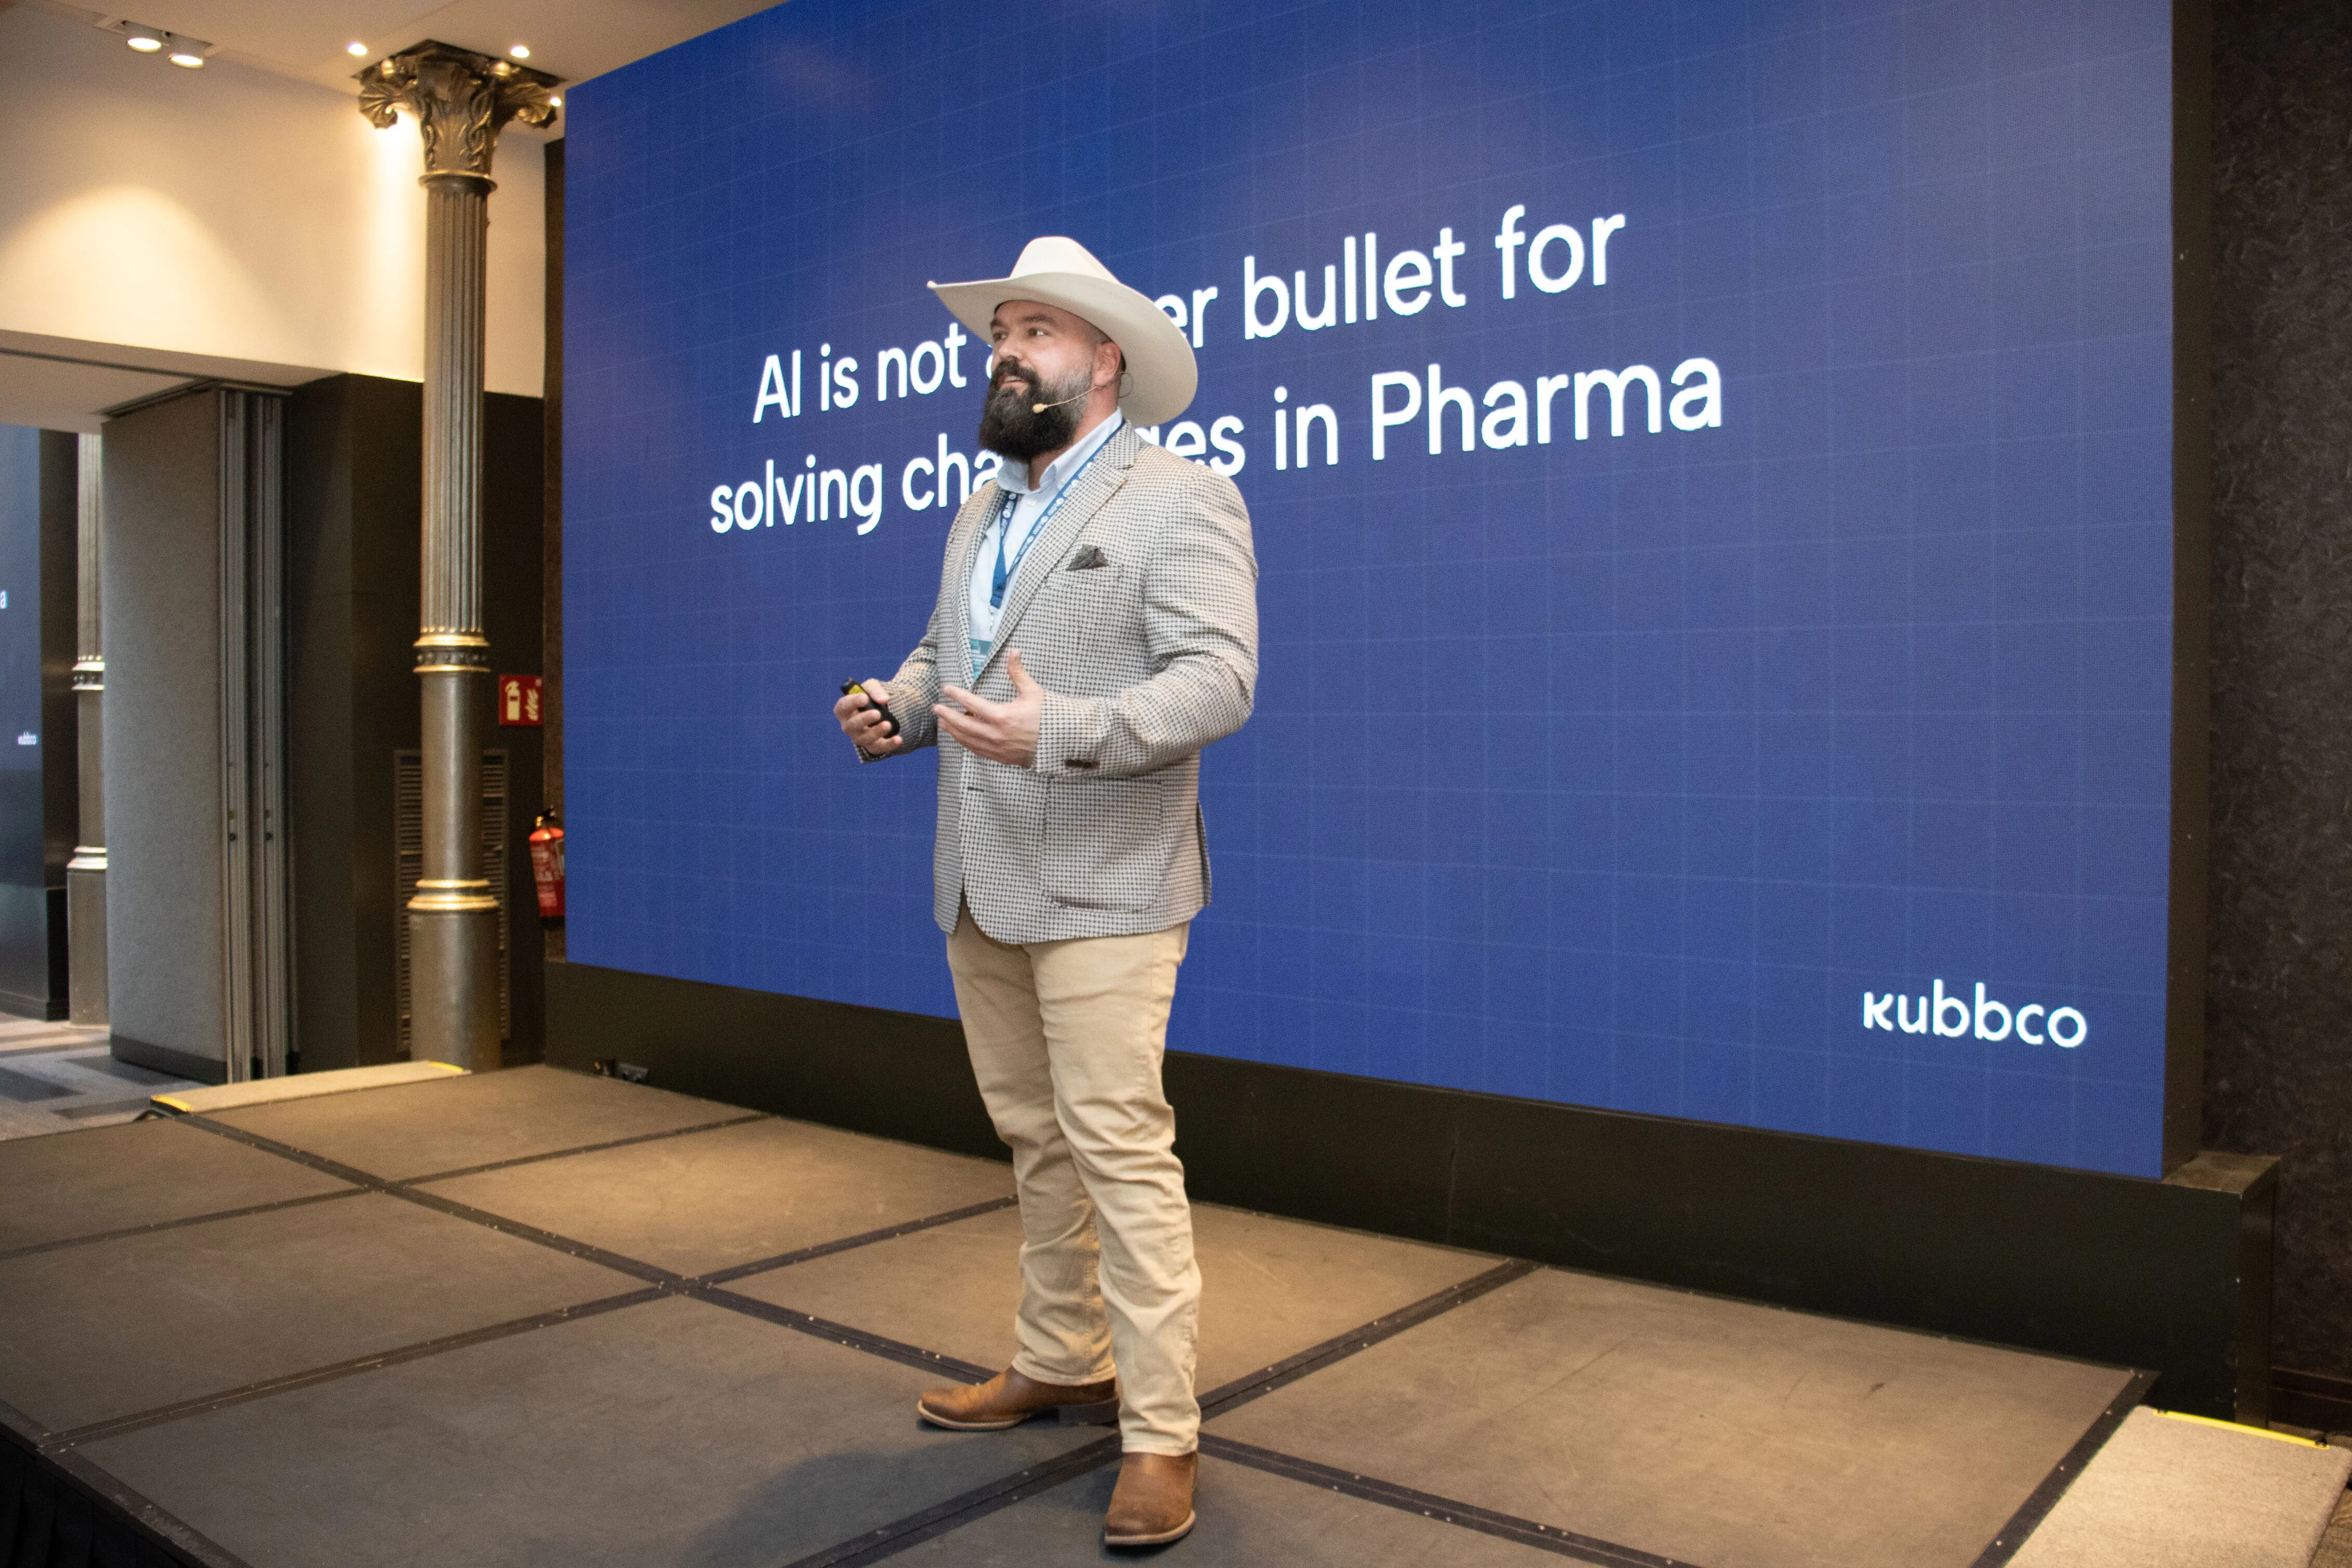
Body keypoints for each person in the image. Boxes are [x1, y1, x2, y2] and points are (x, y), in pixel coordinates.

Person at [833, 236, 1257, 1548]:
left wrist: (1058, 728)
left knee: (1120, 1148)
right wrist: (900, 705)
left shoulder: (1179, 495)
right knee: (1037, 1137)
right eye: (999, 330)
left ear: (1104, 356)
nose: (1003, 350)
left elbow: (1218, 681)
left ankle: (1162, 1429)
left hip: (1112, 884)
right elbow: (947, 648)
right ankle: (1061, 1354)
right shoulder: (981, 505)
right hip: (981, 874)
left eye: (1032, 329)